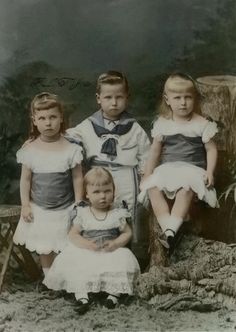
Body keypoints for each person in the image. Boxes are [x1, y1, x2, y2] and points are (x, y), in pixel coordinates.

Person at [66, 70, 150, 247]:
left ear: (127, 97)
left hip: (126, 178)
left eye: (119, 97)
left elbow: (146, 156)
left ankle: (128, 251)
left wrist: (145, 180)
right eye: (108, 97)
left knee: (125, 215)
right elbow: (66, 139)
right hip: (98, 179)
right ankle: (96, 249)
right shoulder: (88, 126)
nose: (114, 103)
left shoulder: (134, 128)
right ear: (98, 98)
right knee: (99, 215)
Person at [43, 167, 140, 314]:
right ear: (87, 194)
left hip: (109, 251)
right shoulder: (83, 213)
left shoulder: (117, 214)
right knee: (78, 267)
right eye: (96, 192)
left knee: (123, 261)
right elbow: (73, 235)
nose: (103, 196)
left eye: (107, 191)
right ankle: (82, 297)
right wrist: (87, 244)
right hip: (89, 250)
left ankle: (113, 296)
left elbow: (127, 233)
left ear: (114, 191)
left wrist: (115, 244)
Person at [139, 72, 218, 250]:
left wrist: (210, 171)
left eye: (188, 97)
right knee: (151, 189)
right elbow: (154, 151)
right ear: (167, 100)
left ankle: (171, 230)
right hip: (168, 169)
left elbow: (211, 149)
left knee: (186, 190)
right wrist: (147, 174)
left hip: (192, 170)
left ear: (194, 98)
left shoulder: (201, 123)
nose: (183, 103)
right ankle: (169, 229)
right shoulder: (163, 123)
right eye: (177, 98)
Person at [13, 92, 83, 276]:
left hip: (65, 206)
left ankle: (64, 279)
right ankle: (49, 279)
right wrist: (26, 204)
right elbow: (25, 180)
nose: (48, 122)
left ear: (61, 118)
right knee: (45, 245)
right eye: (42, 118)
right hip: (40, 208)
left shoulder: (71, 149)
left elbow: (77, 178)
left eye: (53, 117)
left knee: (64, 242)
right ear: (34, 120)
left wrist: (79, 203)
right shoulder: (30, 149)